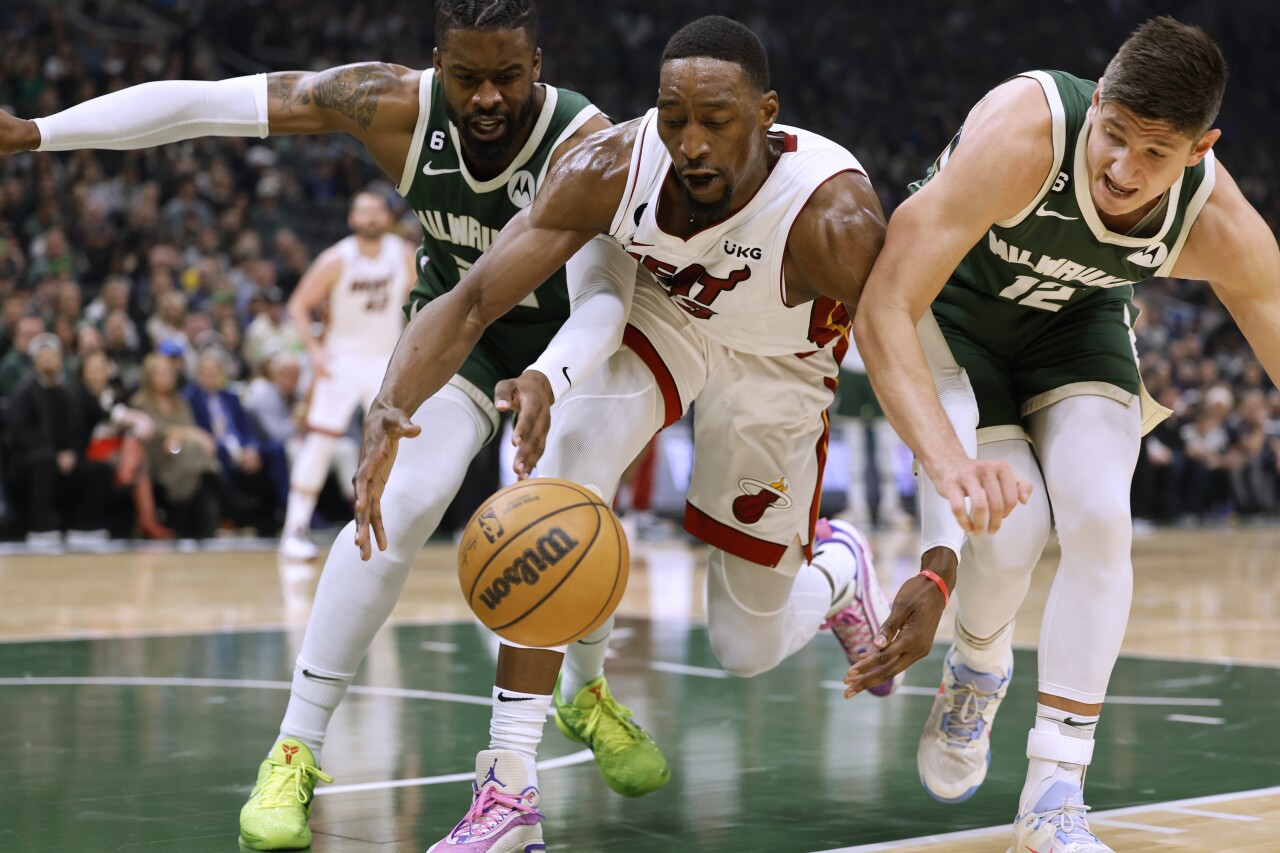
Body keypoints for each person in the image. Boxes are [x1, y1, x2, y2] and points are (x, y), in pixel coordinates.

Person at [0, 2, 651, 849]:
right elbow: (207, 103)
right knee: (394, 509)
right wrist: (39, 133)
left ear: (539, 63)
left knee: (567, 521)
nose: (488, 97)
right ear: (437, 64)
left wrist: (550, 376)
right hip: (457, 333)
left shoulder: (588, 146)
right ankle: (294, 749)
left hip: (573, 353)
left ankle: (580, 693)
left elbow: (604, 299)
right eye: (467, 77)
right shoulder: (388, 105)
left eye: (507, 76)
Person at [350, 16, 899, 851]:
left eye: (715, 120)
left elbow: (930, 368)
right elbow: (471, 299)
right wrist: (390, 404)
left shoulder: (835, 214)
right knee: (556, 481)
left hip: (780, 364)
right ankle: (508, 787)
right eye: (673, 118)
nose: (691, 142)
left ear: (766, 115)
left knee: (745, 645)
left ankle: (837, 571)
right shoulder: (610, 166)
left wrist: (943, 558)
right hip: (673, 321)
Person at [846, 17, 1280, 853]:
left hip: (1074, 326)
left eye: (1155, 152)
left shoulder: (1215, 219)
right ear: (1099, 101)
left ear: (1201, 150)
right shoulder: (1025, 135)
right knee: (1010, 538)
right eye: (1114, 134)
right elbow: (885, 304)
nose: (1123, 168)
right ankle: (978, 666)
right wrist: (948, 463)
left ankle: (1054, 795)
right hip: (955, 319)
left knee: (1101, 517)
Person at [278, 191, 414, 558]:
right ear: (352, 219)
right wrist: (315, 351)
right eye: (363, 211)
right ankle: (294, 529)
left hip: (386, 360)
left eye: (377, 210)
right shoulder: (336, 258)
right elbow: (298, 306)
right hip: (341, 361)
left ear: (387, 217)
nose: (371, 217)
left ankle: (391, 526)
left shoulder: (403, 253)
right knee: (320, 442)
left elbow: (426, 299)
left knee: (392, 443)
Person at [7, 332, 114, 551]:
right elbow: (18, 432)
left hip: (68, 459)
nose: (48, 360)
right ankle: (40, 527)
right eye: (43, 356)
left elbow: (86, 425)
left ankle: (83, 526)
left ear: (61, 359)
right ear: (34, 361)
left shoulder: (71, 392)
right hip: (32, 463)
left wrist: (72, 453)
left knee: (100, 469)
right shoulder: (24, 392)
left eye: (52, 355)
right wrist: (54, 454)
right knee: (45, 461)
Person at [130, 353, 223, 539]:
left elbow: (185, 428)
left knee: (191, 452)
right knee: (192, 451)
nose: (166, 377)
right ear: (149, 376)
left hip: (178, 451)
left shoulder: (180, 402)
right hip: (159, 456)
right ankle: (224, 492)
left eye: (169, 373)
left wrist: (179, 435)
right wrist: (188, 434)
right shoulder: (140, 403)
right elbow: (158, 432)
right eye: (160, 373)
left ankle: (204, 516)